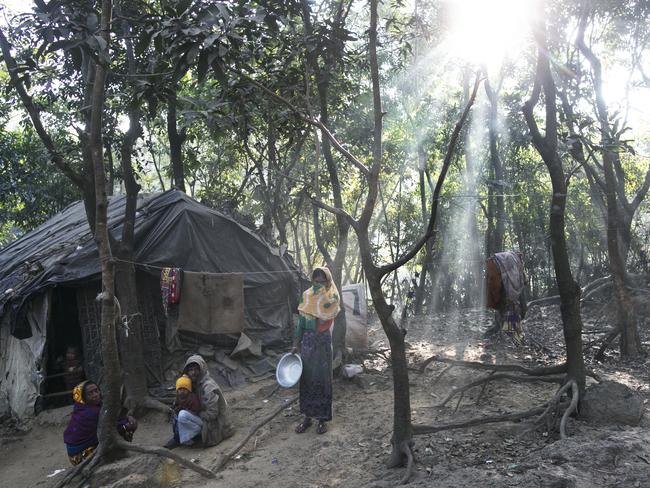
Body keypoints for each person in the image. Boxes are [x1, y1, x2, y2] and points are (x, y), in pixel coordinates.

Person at [292, 266, 340, 435]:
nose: (319, 284)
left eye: (322, 281)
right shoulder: (306, 296)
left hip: (324, 342)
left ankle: (322, 420)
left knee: (323, 380)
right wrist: (296, 344)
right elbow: (300, 324)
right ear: (312, 280)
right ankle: (307, 417)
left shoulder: (332, 298)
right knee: (307, 380)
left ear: (328, 281)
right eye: (316, 281)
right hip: (308, 342)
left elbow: (328, 319)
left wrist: (321, 302)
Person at [63, 381, 137, 465]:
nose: (95, 395)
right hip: (79, 456)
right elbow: (108, 429)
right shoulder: (89, 413)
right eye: (90, 393)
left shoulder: (86, 407)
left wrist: (127, 419)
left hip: (80, 451)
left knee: (125, 425)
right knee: (126, 429)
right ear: (83, 398)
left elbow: (113, 420)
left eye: (96, 390)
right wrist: (126, 425)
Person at [183, 354, 233, 447]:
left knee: (183, 415)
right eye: (190, 370)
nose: (193, 372)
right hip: (208, 418)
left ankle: (192, 440)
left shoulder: (208, 386)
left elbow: (212, 414)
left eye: (196, 369)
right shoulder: (196, 384)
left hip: (217, 425)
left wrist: (198, 413)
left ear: (201, 369)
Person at [485, 251, 527, 344]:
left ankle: (516, 340)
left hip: (509, 300)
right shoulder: (512, 263)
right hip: (507, 299)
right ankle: (515, 340)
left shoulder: (512, 264)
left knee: (511, 319)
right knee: (510, 319)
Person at [164, 374, 203, 449]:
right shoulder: (179, 398)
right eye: (180, 389)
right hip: (187, 418)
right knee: (177, 418)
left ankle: (196, 432)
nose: (182, 391)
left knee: (182, 415)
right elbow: (177, 406)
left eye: (184, 389)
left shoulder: (192, 398)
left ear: (189, 390)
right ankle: (183, 439)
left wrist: (185, 411)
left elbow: (197, 411)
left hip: (197, 419)